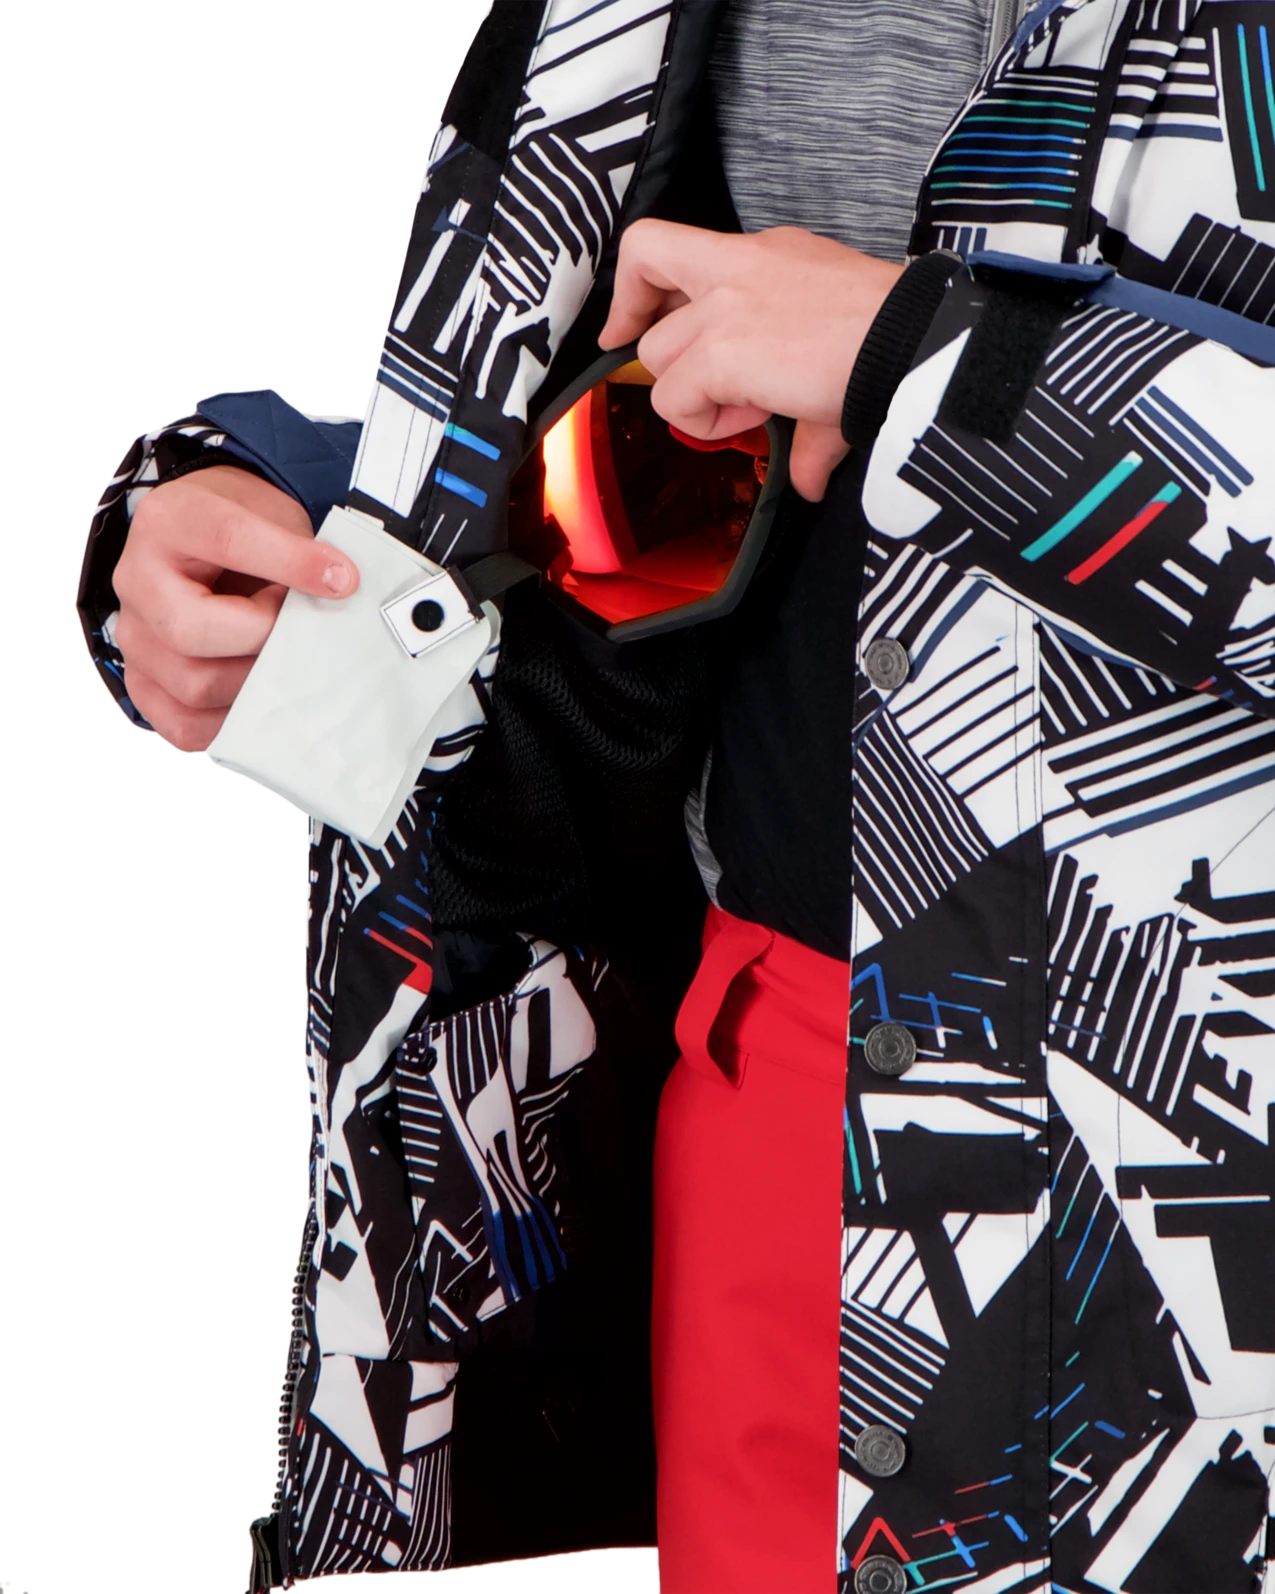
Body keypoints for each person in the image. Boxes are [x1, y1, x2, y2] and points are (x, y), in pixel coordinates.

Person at [75, 0, 1274, 1590]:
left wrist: (935, 360)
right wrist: (311, 525)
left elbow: (884, 353)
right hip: (769, 1099)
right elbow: (717, 406)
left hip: (1186, 1212)